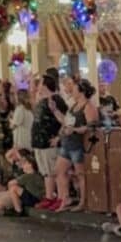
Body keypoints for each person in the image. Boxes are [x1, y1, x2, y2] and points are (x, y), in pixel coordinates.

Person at [52, 77, 98, 212]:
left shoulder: (88, 106)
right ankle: (65, 199)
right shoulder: (73, 105)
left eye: (75, 88)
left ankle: (83, 201)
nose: (72, 90)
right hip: (67, 143)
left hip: (78, 144)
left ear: (82, 91)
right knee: (59, 171)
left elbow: (91, 127)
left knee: (80, 174)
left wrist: (75, 130)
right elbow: (66, 121)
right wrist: (55, 111)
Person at [32, 74, 67, 210]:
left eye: (40, 83)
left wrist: (59, 137)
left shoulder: (56, 99)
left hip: (49, 141)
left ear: (45, 85)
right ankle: (49, 196)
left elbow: (65, 120)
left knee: (54, 170)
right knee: (46, 172)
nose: (38, 86)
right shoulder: (42, 100)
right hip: (39, 142)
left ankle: (59, 197)